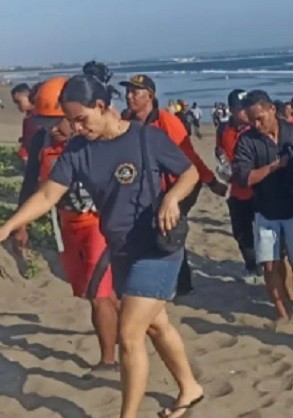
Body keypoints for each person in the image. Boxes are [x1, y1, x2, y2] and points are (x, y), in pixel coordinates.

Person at [0, 75, 204, 418]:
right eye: (71, 121)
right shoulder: (78, 149)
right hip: (121, 249)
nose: (78, 127)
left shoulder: (145, 138)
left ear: (102, 106)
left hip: (157, 248)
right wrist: (7, 226)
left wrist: (172, 198)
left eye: (82, 119)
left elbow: (190, 173)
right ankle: (190, 386)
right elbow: (49, 194)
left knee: (129, 333)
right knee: (157, 326)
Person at [14, 77, 119, 375]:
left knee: (99, 295)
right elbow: (32, 183)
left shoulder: (96, 140)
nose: (52, 130)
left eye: (57, 123)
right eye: (46, 123)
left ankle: (109, 360)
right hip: (66, 223)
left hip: (99, 223)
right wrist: (20, 225)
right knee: (94, 291)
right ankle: (136, 327)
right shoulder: (41, 140)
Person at [121, 74, 227, 296]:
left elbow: (189, 156)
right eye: (128, 91)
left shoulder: (166, 121)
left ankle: (182, 285)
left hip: (178, 185)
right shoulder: (126, 120)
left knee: (169, 230)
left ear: (149, 96)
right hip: (146, 189)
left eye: (135, 92)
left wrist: (211, 181)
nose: (129, 96)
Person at [232, 90, 293, 321]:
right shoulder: (246, 140)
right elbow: (244, 178)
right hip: (265, 210)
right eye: (252, 119)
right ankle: (282, 312)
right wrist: (276, 166)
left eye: (260, 117)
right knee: (270, 265)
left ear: (272, 109)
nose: (257, 123)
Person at [216, 89, 260, 283]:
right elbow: (219, 151)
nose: (246, 112)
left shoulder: (256, 127)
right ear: (233, 110)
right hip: (237, 189)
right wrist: (223, 165)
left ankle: (265, 265)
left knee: (264, 231)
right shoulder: (224, 129)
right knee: (241, 231)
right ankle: (251, 265)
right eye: (242, 109)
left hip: (259, 189)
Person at [11, 83, 38, 164]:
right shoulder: (29, 116)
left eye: (18, 102)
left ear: (28, 96)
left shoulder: (33, 116)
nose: (17, 106)